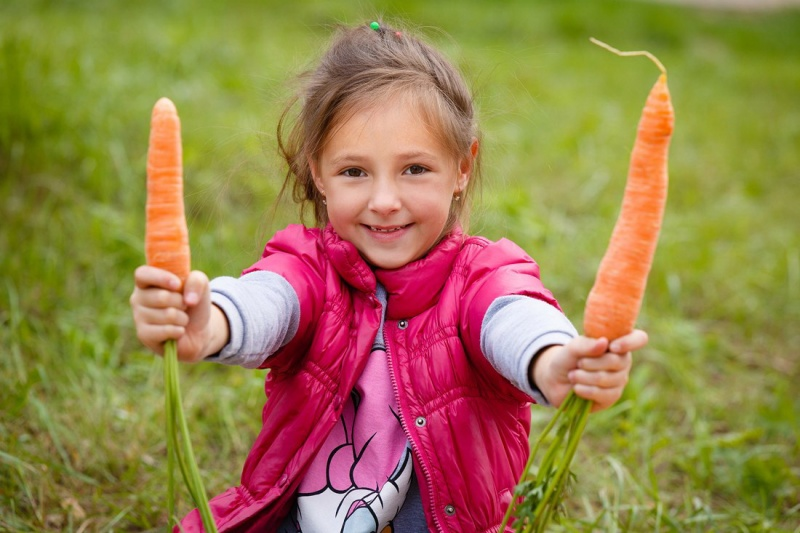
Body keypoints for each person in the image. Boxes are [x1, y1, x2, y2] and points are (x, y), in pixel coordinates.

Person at [130, 20, 648, 533]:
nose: (383, 201)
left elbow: (512, 317)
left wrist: (553, 360)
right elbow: (269, 301)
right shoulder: (309, 267)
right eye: (354, 172)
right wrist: (211, 320)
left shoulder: (480, 276)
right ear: (318, 172)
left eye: (414, 169)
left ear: (462, 167)